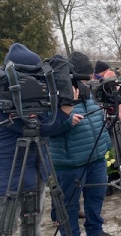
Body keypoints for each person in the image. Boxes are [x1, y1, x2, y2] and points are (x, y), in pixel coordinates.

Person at [0, 43, 75, 236]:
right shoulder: (4, 101)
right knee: (6, 228)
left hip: (36, 172)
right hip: (8, 179)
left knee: (32, 226)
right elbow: (43, 128)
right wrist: (65, 111)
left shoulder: (36, 104)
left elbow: (40, 127)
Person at [49, 51, 112, 236]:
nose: (90, 78)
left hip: (96, 157)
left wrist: (105, 144)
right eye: (86, 74)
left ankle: (95, 230)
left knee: (96, 197)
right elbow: (47, 129)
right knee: (69, 204)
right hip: (70, 162)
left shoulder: (87, 93)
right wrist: (67, 120)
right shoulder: (56, 93)